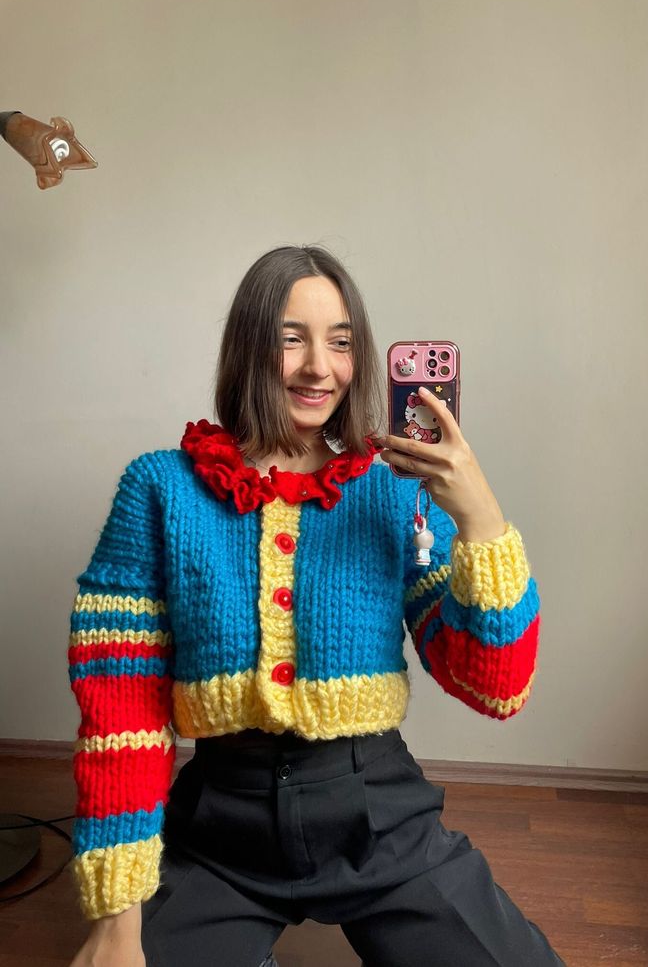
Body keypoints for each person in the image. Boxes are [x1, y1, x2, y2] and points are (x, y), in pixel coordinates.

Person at [67, 244, 564, 967]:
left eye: (341, 342)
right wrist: (116, 919)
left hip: (378, 813)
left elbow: (495, 684)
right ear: (249, 346)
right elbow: (120, 711)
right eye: (290, 337)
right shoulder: (159, 489)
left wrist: (481, 518)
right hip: (219, 827)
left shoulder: (396, 491)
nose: (317, 367)